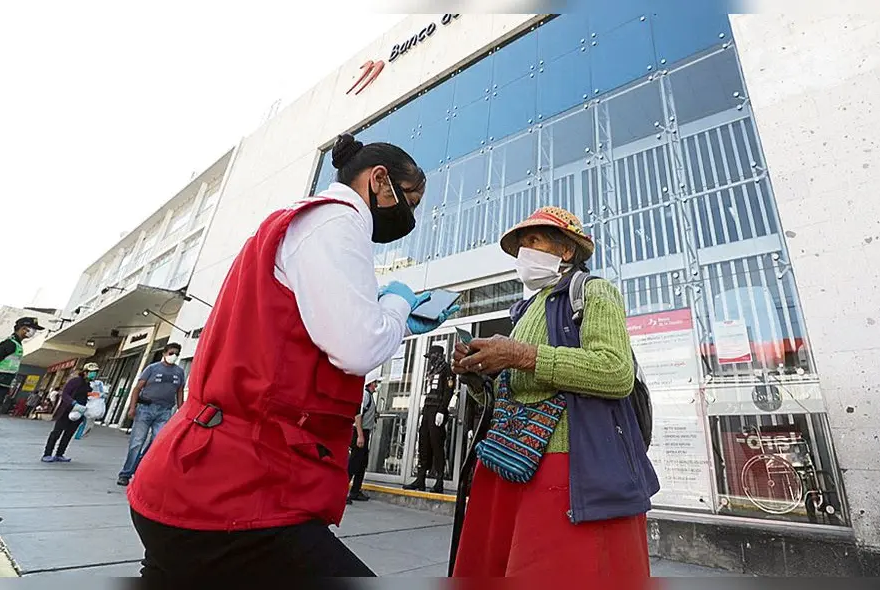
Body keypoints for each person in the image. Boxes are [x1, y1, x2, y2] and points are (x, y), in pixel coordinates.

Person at [126, 133, 457, 580]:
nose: (410, 216)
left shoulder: (297, 225)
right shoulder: (338, 224)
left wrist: (381, 314)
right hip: (235, 493)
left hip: (195, 478)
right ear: (379, 180)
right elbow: (359, 347)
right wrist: (397, 304)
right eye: (410, 201)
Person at [450, 206, 658, 577]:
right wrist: (476, 376)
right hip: (512, 461)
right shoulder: (525, 311)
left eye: (533, 241)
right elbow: (510, 396)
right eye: (520, 246)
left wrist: (522, 355)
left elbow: (615, 371)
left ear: (565, 250)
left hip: (565, 467)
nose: (524, 253)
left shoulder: (593, 291)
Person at [117, 343, 186, 486]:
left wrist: (182, 410)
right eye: (172, 353)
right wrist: (132, 407)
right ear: (164, 353)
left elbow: (179, 391)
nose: (174, 356)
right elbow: (137, 388)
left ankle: (141, 467)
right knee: (137, 442)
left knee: (157, 443)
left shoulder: (179, 372)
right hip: (145, 409)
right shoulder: (152, 368)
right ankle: (126, 473)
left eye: (177, 354)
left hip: (165, 411)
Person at [403, 345, 456, 493]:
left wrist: (441, 410)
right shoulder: (432, 370)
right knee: (423, 443)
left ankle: (439, 481)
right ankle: (420, 479)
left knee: (437, 444)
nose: (429, 360)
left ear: (438, 355)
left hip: (437, 410)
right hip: (427, 410)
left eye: (431, 356)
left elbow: (448, 391)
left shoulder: (447, 369)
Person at [42, 363, 99, 462]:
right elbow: (65, 394)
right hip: (66, 411)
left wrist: (98, 395)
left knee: (68, 434)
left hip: (79, 412)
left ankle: (60, 454)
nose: (93, 374)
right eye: (91, 372)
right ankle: (47, 454)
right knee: (56, 433)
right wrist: (73, 403)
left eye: (95, 372)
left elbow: (88, 395)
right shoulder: (75, 381)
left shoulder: (89, 385)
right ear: (85, 372)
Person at [0, 317, 44, 418]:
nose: (34, 332)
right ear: (24, 328)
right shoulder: (10, 343)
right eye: (33, 329)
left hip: (4, 383)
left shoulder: (17, 344)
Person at [347, 377, 380, 504]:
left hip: (365, 432)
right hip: (360, 432)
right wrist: (360, 435)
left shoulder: (370, 397)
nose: (376, 385)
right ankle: (342, 492)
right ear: (371, 383)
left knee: (361, 464)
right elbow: (358, 415)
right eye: (375, 383)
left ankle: (355, 491)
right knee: (354, 463)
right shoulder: (365, 396)